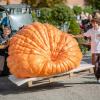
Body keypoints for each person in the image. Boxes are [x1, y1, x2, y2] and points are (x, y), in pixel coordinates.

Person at [73, 17, 100, 82]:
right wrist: (74, 36)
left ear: (98, 23)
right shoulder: (91, 31)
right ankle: (98, 78)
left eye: (95, 22)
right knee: (95, 66)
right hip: (94, 51)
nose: (94, 24)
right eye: (93, 23)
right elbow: (83, 35)